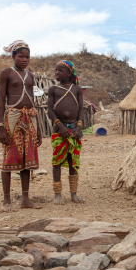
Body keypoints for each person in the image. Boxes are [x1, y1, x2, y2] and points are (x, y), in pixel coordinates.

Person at [0, 40, 42, 212]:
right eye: (21, 56)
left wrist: (38, 129)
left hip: (30, 116)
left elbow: (33, 99)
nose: (25, 59)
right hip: (13, 116)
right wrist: (1, 126)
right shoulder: (6, 73)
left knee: (27, 159)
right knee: (9, 156)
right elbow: (1, 100)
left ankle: (25, 199)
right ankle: (6, 200)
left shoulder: (30, 76)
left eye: (27, 57)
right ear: (13, 56)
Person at [47, 60, 85, 204]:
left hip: (75, 129)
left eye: (60, 71)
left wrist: (79, 127)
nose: (56, 73)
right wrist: (60, 126)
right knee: (57, 161)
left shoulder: (77, 89)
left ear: (69, 73)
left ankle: (73, 194)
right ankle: (57, 195)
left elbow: (81, 110)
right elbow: (50, 110)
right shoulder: (53, 90)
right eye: (56, 70)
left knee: (73, 161)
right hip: (59, 129)